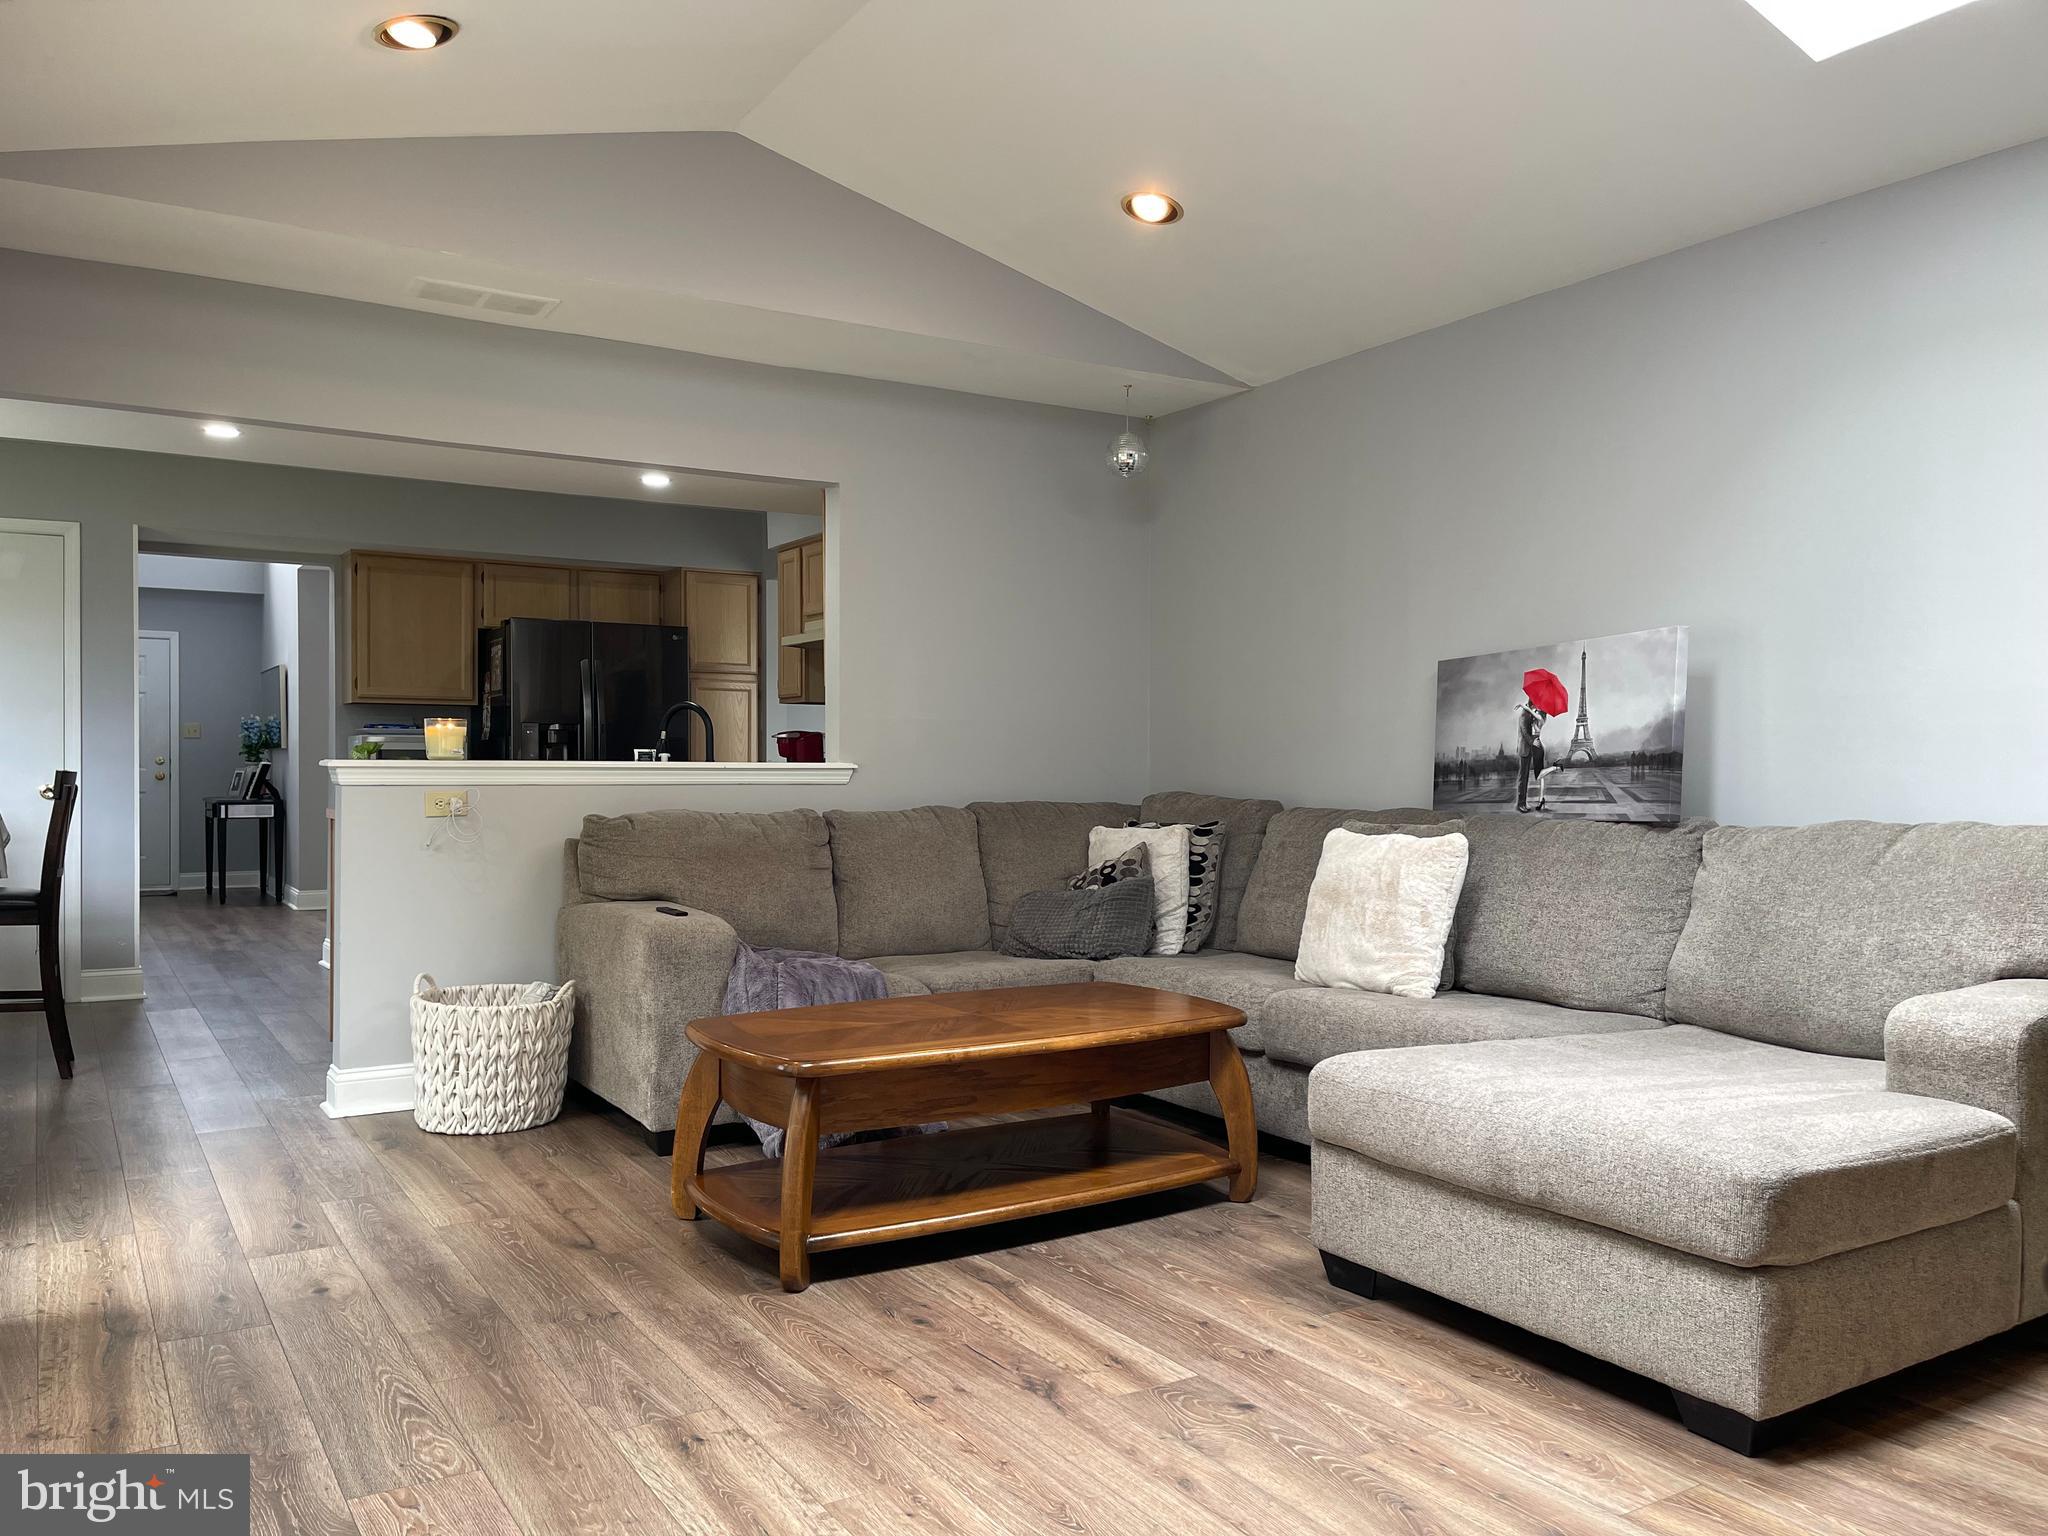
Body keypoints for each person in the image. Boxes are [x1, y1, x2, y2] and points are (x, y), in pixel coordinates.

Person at [1516, 701, 1559, 813]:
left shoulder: (1538, 717)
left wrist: (1523, 705)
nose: (1537, 706)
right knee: (1527, 777)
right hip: (1530, 746)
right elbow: (1524, 732)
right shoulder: (1525, 715)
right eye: (1536, 704)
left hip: (1535, 745)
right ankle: (1531, 802)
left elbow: (1530, 726)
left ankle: (1556, 767)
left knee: (1537, 774)